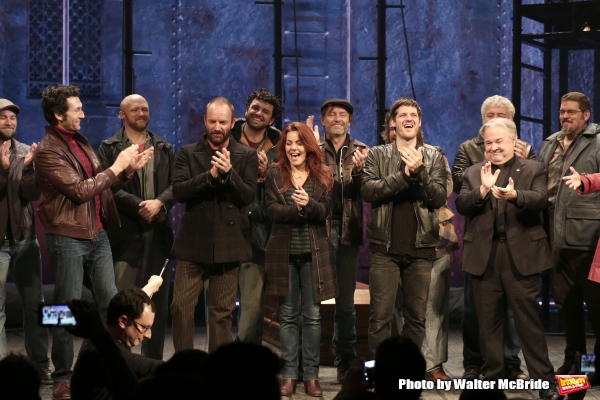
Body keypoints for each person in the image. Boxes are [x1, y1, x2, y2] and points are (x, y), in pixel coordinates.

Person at [34, 84, 153, 399]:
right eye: (77, 109)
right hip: (68, 236)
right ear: (59, 114)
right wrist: (117, 166)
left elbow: (100, 183)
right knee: (65, 307)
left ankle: (108, 365)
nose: (83, 113)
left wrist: (126, 171)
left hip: (97, 232)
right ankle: (62, 375)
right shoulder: (48, 149)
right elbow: (80, 190)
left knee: (111, 303)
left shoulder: (80, 142)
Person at [455, 118, 560, 400]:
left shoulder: (534, 168)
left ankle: (545, 381)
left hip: (521, 256)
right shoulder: (474, 172)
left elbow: (540, 199)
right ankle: (491, 382)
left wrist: (515, 195)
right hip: (484, 258)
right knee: (487, 324)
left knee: (528, 323)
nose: (494, 147)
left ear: (514, 141)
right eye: (489, 143)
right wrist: (482, 190)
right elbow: (461, 204)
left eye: (499, 141)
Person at [451, 95, 534, 380]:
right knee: (477, 310)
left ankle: (511, 363)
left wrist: (517, 159)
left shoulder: (525, 152)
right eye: (489, 115)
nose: (494, 119)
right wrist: (484, 180)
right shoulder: (468, 149)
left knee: (513, 311)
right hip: (482, 240)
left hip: (515, 241)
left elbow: (536, 188)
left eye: (501, 115)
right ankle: (475, 364)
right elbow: (460, 187)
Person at [170, 97, 257, 353]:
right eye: (212, 121)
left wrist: (229, 173)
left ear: (232, 123)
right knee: (181, 307)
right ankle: (185, 370)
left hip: (229, 245)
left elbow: (248, 196)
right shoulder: (187, 152)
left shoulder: (247, 155)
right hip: (192, 244)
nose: (216, 127)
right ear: (205, 121)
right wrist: (210, 176)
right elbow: (178, 192)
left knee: (221, 313)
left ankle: (218, 375)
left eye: (222, 122)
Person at [361, 97, 447, 356]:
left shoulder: (434, 156)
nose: (408, 119)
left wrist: (420, 172)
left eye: (413, 115)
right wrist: (403, 176)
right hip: (384, 250)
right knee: (380, 318)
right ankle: (376, 377)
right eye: (402, 115)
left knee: (416, 318)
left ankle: (406, 376)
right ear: (393, 123)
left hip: (421, 249)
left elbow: (438, 198)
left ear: (419, 123)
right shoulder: (377, 154)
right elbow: (369, 190)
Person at [380, 111, 458, 382]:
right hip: (396, 243)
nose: (397, 130)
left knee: (432, 307)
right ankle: (401, 366)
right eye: (392, 128)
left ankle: (433, 365)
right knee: (398, 309)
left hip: (435, 238)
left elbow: (444, 190)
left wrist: (419, 170)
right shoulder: (383, 157)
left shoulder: (434, 154)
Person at [97, 94, 176, 360]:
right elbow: (105, 186)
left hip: (158, 234)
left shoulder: (164, 147)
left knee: (157, 306)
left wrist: (159, 203)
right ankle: (117, 361)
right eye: (135, 109)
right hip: (125, 236)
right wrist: (140, 204)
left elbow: (176, 184)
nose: (141, 113)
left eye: (145, 108)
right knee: (120, 304)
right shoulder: (109, 147)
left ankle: (152, 363)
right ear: (122, 115)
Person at [264, 122, 335, 397]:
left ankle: (312, 377)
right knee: (288, 316)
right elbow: (272, 210)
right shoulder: (274, 173)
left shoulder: (324, 175)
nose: (294, 148)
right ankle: (290, 375)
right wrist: (301, 209)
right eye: (289, 143)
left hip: (314, 255)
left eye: (299, 143)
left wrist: (309, 205)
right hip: (283, 253)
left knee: (313, 316)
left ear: (309, 146)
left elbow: (325, 211)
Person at [306, 98, 369, 383]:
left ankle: (345, 358)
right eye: (331, 114)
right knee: (313, 302)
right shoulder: (312, 149)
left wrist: (358, 173)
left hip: (348, 232)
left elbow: (368, 193)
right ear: (323, 119)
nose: (337, 118)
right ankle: (308, 367)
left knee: (345, 303)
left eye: (342, 115)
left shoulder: (363, 151)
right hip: (318, 231)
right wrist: (312, 154)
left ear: (350, 121)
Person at [538, 92, 600, 374]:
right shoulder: (551, 143)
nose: (564, 116)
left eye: (571, 112)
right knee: (567, 306)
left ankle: (594, 366)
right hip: (556, 238)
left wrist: (584, 181)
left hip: (588, 240)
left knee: (597, 310)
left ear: (586, 115)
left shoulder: (597, 141)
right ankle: (574, 361)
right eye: (562, 111)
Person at [0, 99, 51, 384]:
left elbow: (32, 194)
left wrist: (27, 167)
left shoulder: (23, 151)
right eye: (3, 118)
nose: (9, 122)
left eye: (12, 118)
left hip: (26, 240)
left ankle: (41, 364)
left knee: (37, 306)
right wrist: (10, 170)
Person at [230, 88, 282, 345]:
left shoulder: (280, 147)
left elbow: (287, 186)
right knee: (219, 305)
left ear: (271, 119)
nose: (259, 113)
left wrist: (266, 175)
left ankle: (246, 361)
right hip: (225, 229)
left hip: (260, 233)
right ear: (246, 109)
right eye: (255, 108)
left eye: (265, 111)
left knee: (251, 306)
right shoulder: (224, 137)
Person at [71, 286, 164, 400]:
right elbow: (164, 368)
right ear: (123, 321)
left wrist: (151, 285)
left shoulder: (106, 332)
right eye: (144, 327)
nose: (148, 335)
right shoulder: (108, 352)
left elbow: (131, 306)